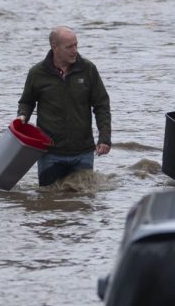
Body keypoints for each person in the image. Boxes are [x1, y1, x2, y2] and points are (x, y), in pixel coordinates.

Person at [17, 26, 111, 187]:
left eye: (76, 45)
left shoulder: (88, 70)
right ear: (55, 48)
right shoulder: (37, 73)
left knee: (82, 205)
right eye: (69, 47)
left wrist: (105, 138)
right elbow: (27, 102)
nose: (75, 50)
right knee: (48, 201)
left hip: (83, 152)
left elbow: (101, 105)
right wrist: (22, 116)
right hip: (50, 152)